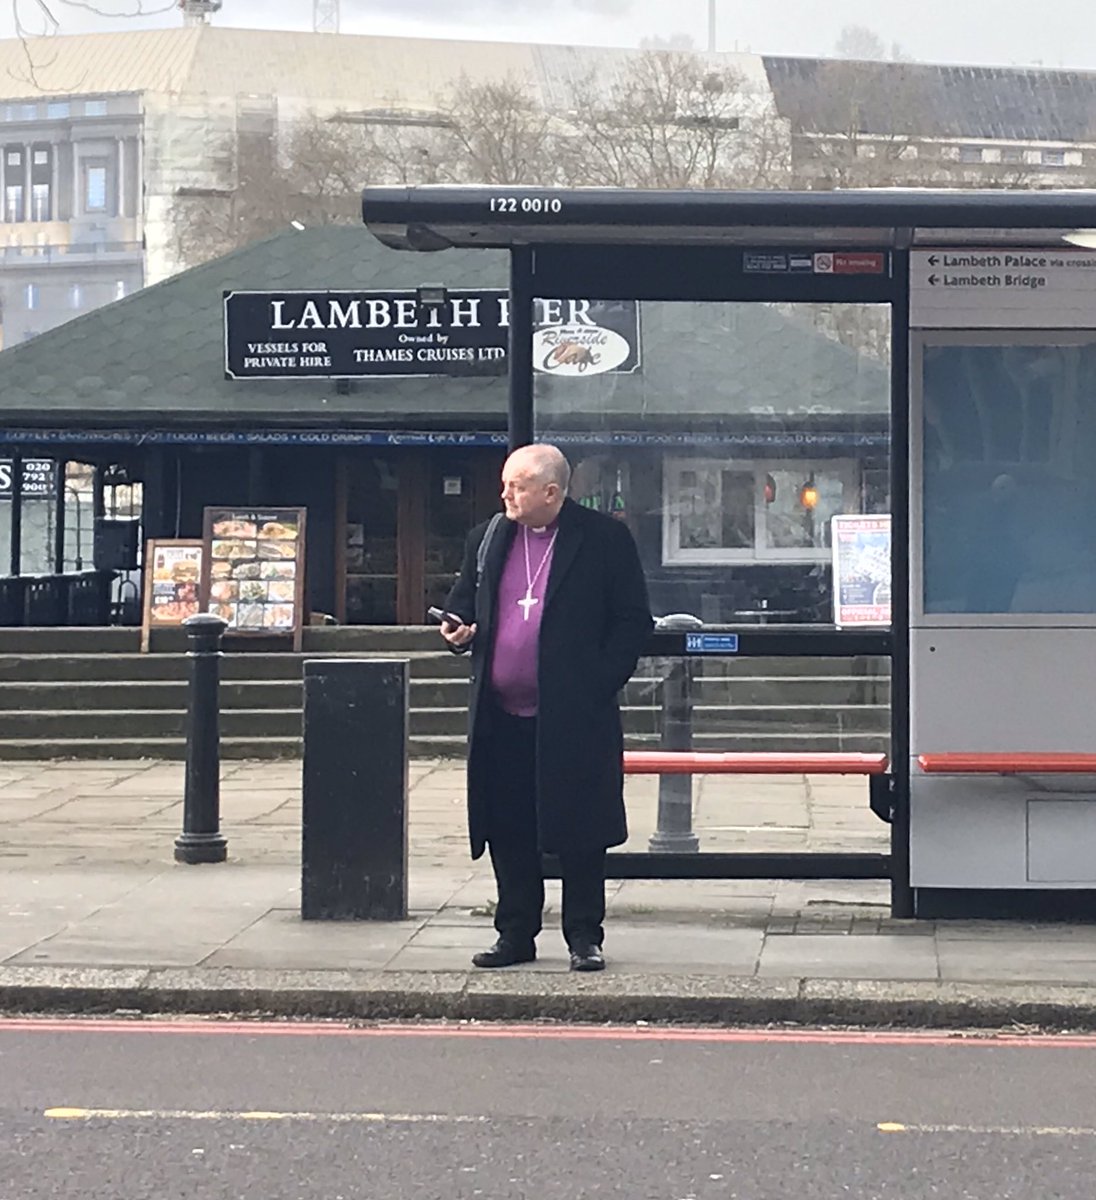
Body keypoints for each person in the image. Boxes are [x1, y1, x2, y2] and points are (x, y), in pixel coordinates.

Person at [439, 443, 652, 972]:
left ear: (551, 492)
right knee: (508, 828)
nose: (504, 493)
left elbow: (631, 621)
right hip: (501, 715)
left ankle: (584, 935)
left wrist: (597, 684)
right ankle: (515, 933)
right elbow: (463, 604)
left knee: (580, 827)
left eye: (516, 485)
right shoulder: (489, 537)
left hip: (573, 716)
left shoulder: (603, 539)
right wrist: (457, 631)